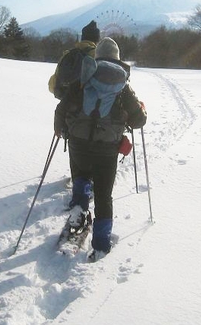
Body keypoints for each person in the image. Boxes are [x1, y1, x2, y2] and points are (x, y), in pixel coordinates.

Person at [54, 37, 147, 261]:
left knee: (82, 177)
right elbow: (138, 121)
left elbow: (61, 109)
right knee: (104, 195)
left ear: (97, 56)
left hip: (78, 143)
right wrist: (140, 110)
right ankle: (101, 244)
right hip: (107, 149)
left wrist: (62, 131)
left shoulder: (83, 78)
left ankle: (78, 212)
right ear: (117, 58)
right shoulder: (123, 86)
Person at [48, 20, 100, 98]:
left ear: (82, 37)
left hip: (67, 105)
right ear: (97, 39)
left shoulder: (68, 54)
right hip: (89, 105)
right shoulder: (98, 55)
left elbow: (53, 84)